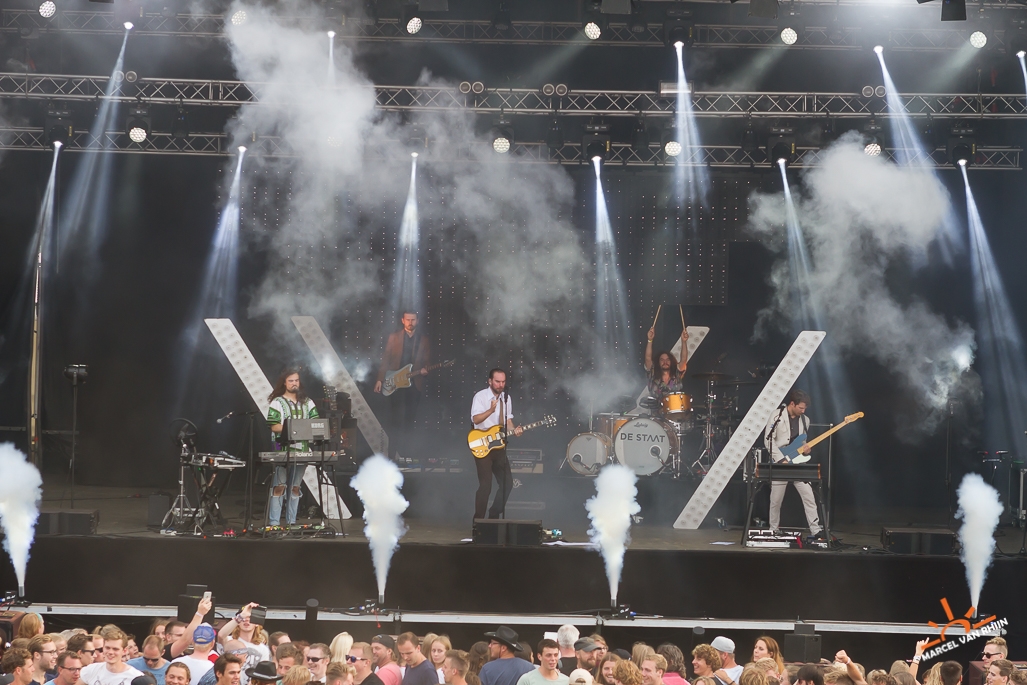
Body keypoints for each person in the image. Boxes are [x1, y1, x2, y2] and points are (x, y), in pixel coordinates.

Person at [763, 389, 823, 539]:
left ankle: (816, 530)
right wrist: (780, 459)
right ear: (792, 404)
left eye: (805, 408)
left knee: (809, 496)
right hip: (780, 462)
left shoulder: (805, 420)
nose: (803, 411)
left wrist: (806, 451)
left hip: (797, 463)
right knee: (776, 500)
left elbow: (802, 443)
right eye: (800, 408)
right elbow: (768, 440)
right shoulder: (776, 415)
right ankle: (773, 529)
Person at [374, 311, 431, 461]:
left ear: (417, 321)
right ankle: (392, 455)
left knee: (410, 420)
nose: (410, 322)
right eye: (408, 320)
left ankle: (408, 455)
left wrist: (426, 369)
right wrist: (380, 379)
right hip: (396, 383)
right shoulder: (394, 337)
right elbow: (386, 359)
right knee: (395, 419)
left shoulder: (423, 340)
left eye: (413, 320)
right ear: (403, 320)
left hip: (414, 383)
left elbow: (427, 359)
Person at [266, 368, 319, 526]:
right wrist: (296, 429)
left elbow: (316, 424)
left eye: (296, 380)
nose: (294, 383)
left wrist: (302, 430)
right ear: (284, 383)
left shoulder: (308, 402)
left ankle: (292, 523)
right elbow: (274, 426)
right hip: (281, 450)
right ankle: (274, 523)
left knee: (295, 487)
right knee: (279, 486)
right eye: (291, 381)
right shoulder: (277, 402)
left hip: (302, 450)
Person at [470, 370, 524, 520]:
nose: (501, 385)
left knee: (507, 483)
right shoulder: (480, 396)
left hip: (499, 445)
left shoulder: (506, 398)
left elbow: (508, 421)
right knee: (485, 486)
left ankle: (493, 515)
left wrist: (515, 430)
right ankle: (478, 522)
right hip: (483, 445)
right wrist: (490, 410)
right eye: (497, 381)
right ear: (490, 381)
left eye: (503, 382)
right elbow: (475, 419)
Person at [77, 630, 143, 685]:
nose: (110, 652)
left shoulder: (135, 677)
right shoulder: (91, 670)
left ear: (124, 651)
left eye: (115, 649)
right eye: (107, 648)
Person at [644, 328, 689, 403]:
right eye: (662, 360)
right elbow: (648, 358)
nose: (665, 362)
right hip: (655, 409)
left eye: (668, 360)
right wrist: (650, 340)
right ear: (658, 362)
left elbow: (684, 359)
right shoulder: (652, 372)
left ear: (671, 362)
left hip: (675, 408)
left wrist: (684, 341)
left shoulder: (677, 373)